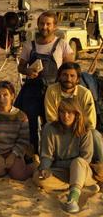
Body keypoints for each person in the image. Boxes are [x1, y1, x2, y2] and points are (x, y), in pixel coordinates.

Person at [16, 11, 74, 153]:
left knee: (52, 123)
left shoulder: (62, 45)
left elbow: (70, 70)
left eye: (48, 24)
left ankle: (52, 153)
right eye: (42, 23)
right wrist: (28, 71)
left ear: (55, 26)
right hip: (32, 91)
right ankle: (33, 153)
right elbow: (20, 67)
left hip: (54, 91)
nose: (45, 27)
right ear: (38, 24)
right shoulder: (29, 45)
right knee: (30, 124)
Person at [33, 99, 97, 214]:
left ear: (76, 114)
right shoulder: (50, 128)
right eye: (62, 112)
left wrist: (60, 164)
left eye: (69, 112)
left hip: (80, 168)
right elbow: (47, 155)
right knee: (38, 178)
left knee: (78, 162)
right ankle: (78, 186)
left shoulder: (85, 130)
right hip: (61, 171)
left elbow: (86, 158)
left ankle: (72, 199)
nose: (65, 116)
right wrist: (45, 168)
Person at [44, 62, 103, 169]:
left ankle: (100, 165)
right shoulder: (51, 90)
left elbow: (90, 122)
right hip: (59, 129)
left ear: (77, 79)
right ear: (59, 76)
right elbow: (51, 117)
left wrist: (78, 129)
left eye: (72, 76)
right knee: (47, 128)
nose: (68, 78)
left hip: (80, 130)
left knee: (94, 134)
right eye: (65, 75)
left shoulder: (85, 93)